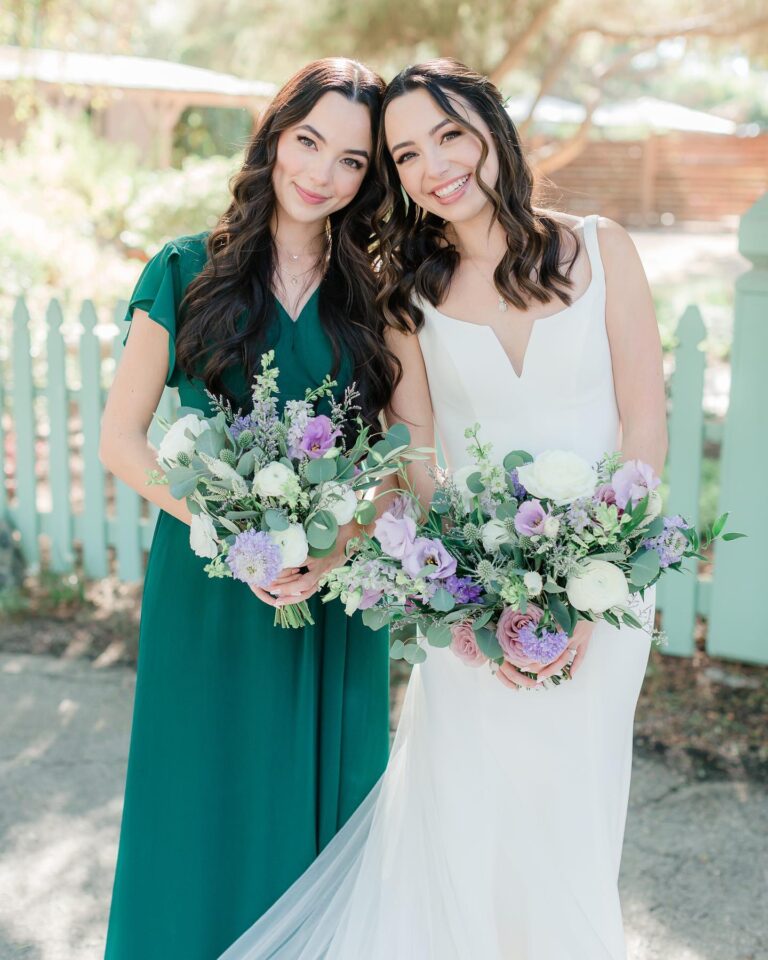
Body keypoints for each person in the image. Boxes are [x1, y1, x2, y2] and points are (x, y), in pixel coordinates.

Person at [218, 59, 667, 960]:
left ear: (492, 128)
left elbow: (645, 421)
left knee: (575, 809)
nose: (436, 166)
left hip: (611, 589)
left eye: (450, 135)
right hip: (468, 604)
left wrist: (593, 582)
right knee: (470, 813)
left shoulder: (601, 247)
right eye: (407, 152)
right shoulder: (407, 296)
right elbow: (414, 460)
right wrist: (479, 597)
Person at [100, 58, 399, 960]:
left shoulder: (378, 296)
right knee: (199, 797)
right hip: (209, 588)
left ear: (369, 178)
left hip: (332, 594)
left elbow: (395, 452)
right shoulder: (185, 267)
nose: (322, 173)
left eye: (351, 160)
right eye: (309, 141)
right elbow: (123, 438)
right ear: (274, 137)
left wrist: (338, 548)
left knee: (326, 810)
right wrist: (224, 529)